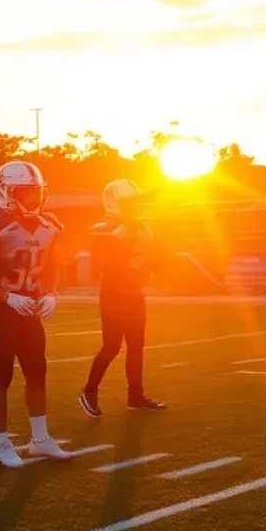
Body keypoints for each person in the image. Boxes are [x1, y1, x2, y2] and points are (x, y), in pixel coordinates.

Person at [0, 161, 70, 467]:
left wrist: (51, 292)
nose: (32, 198)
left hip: (31, 308)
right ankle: (1, 444)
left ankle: (39, 440)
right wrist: (7, 297)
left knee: (37, 372)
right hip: (0, 308)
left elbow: (55, 264)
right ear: (6, 193)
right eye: (24, 192)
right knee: (0, 376)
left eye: (35, 192)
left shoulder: (50, 224)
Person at [79, 179, 165, 417]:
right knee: (112, 346)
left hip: (135, 292)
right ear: (113, 202)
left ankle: (135, 396)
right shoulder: (104, 228)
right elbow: (102, 264)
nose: (134, 207)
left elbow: (153, 260)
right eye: (128, 202)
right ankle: (89, 392)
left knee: (137, 345)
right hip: (114, 293)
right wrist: (125, 239)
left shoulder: (138, 227)